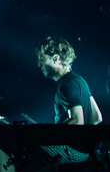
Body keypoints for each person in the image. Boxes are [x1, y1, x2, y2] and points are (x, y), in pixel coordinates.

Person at [35, 36, 101, 165]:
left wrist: (50, 133)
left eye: (42, 59)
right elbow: (97, 117)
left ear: (56, 58)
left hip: (72, 150)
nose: (39, 64)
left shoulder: (66, 85)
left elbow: (77, 121)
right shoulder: (79, 80)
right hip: (85, 151)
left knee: (30, 151)